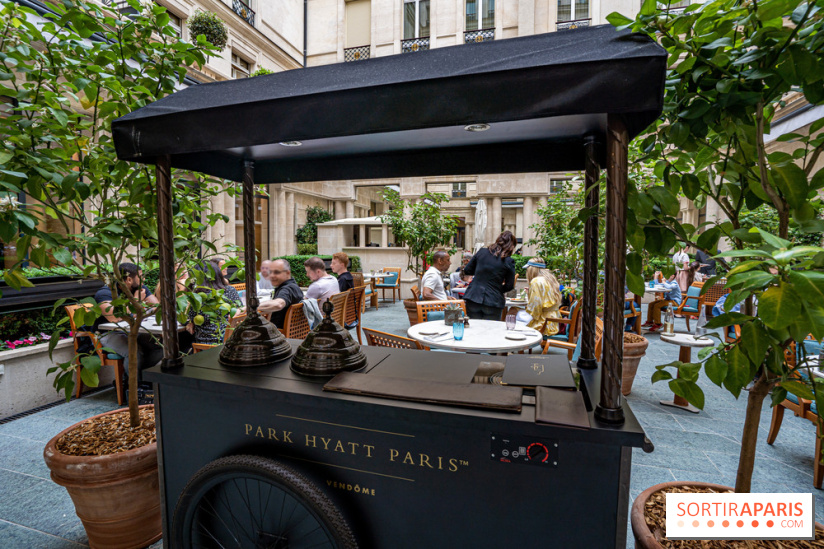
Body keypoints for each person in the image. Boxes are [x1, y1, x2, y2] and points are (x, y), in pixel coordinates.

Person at [92, 263, 162, 382]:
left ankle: (142, 380)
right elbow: (113, 317)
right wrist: (136, 301)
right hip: (108, 333)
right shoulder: (106, 292)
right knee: (134, 351)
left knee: (160, 347)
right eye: (140, 276)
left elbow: (156, 307)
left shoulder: (139, 288)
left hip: (133, 330)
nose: (143, 279)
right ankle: (134, 387)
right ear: (129, 279)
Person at [462, 230, 517, 320]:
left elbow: (467, 270)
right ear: (511, 246)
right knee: (491, 331)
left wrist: (480, 274)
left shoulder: (482, 252)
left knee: (474, 330)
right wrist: (497, 288)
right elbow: (510, 285)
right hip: (493, 300)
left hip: (473, 297)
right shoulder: (508, 260)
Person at [186, 261, 242, 344]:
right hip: (233, 341)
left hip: (207, 344)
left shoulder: (199, 297)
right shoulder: (230, 290)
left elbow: (189, 317)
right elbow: (240, 308)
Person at [258, 259, 304, 328]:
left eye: (276, 272)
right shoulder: (294, 286)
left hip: (277, 334)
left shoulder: (287, 289)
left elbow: (278, 304)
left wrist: (251, 307)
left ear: (287, 273)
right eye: (270, 272)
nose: (272, 275)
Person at [524, 258, 563, 338]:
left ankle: (515, 346)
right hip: (553, 322)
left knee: (512, 312)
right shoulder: (551, 279)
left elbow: (535, 310)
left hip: (543, 324)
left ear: (531, 269)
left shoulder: (536, 281)